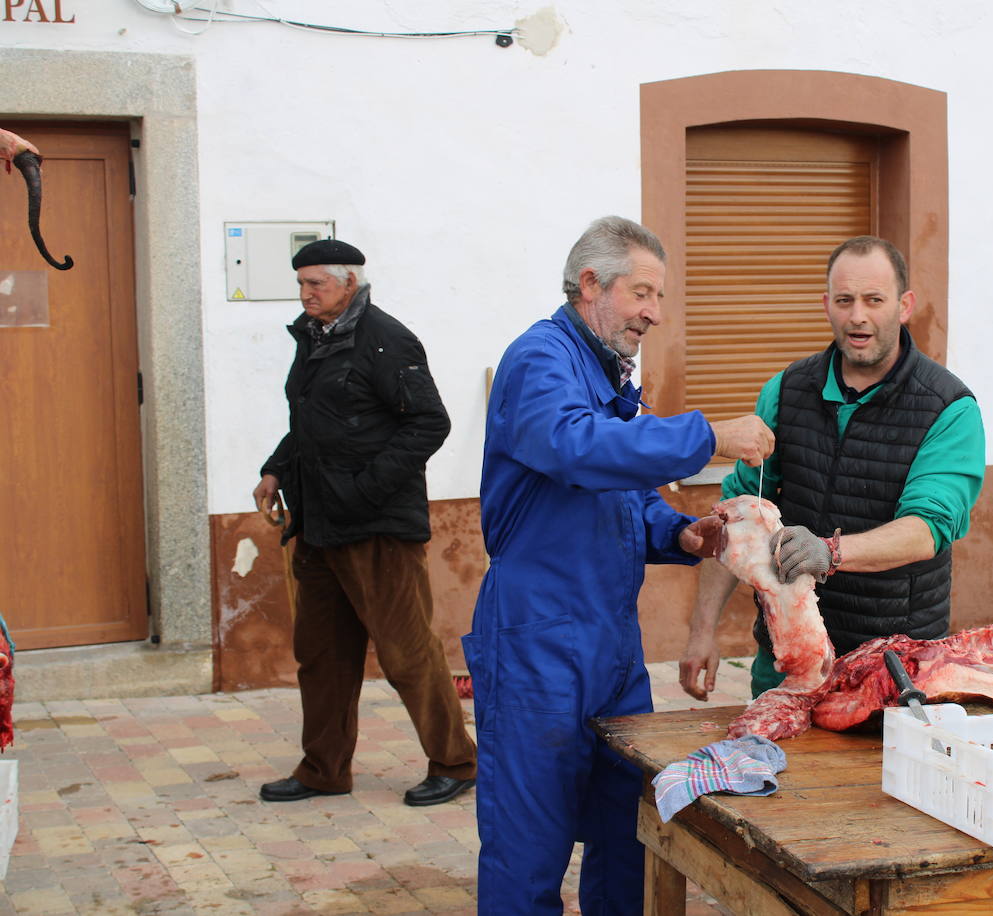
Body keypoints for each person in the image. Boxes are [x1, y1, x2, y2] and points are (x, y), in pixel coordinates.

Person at [465, 216, 774, 915]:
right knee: (528, 842)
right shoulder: (539, 358)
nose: (653, 314)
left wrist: (681, 534)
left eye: (659, 298)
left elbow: (624, 496)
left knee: (628, 829)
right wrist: (710, 434)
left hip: (611, 643)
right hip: (534, 639)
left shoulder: (610, 372)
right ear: (590, 285)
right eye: (642, 294)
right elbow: (575, 449)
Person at [679, 235, 986, 701]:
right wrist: (702, 631)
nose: (858, 316)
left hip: (893, 671)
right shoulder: (785, 391)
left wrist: (830, 551)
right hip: (788, 662)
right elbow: (737, 516)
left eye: (873, 300)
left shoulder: (949, 408)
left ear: (904, 306)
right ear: (827, 305)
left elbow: (926, 529)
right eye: (845, 300)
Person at [252, 239, 477, 807]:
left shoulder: (385, 339)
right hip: (319, 525)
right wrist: (277, 470)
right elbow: (310, 421)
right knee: (322, 655)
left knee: (407, 652)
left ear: (348, 283)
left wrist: (363, 488)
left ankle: (456, 762)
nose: (304, 295)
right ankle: (324, 768)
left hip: (378, 528)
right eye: (301, 284)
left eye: (315, 285)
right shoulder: (314, 339)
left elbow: (429, 423)